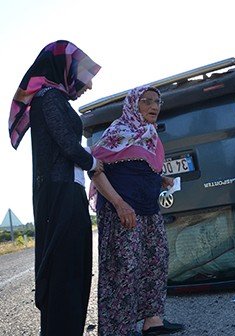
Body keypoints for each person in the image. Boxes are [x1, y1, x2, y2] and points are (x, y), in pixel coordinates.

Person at [9, 41, 101, 335]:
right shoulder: (49, 98)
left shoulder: (55, 98)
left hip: (66, 192)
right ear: (67, 68)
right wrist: (94, 161)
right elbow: (67, 144)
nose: (88, 86)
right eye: (86, 76)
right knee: (65, 271)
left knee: (73, 268)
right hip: (59, 194)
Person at [90, 86, 185, 335]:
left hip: (149, 211)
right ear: (133, 104)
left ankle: (153, 322)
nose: (154, 106)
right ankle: (117, 329)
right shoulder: (118, 131)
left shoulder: (150, 135)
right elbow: (95, 170)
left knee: (155, 262)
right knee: (123, 268)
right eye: (147, 101)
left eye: (157, 101)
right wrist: (119, 204)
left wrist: (161, 178)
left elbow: (139, 167)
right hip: (121, 212)